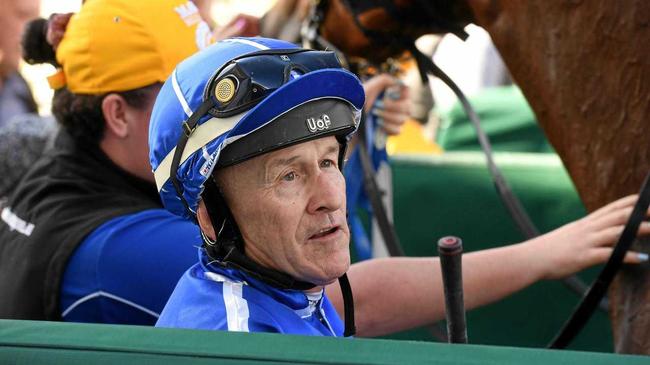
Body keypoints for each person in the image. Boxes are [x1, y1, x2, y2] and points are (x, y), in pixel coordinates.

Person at [150, 37, 650, 336]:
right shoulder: (238, 337)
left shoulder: (268, 285)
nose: (328, 195)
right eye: (288, 175)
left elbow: (357, 298)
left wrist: (545, 254)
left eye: (328, 161)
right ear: (211, 215)